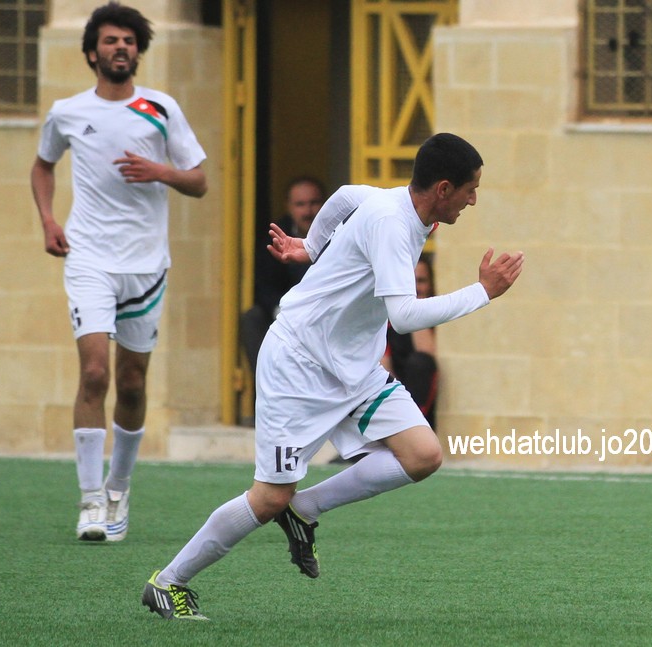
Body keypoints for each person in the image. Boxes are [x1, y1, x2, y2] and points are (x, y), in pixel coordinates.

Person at [142, 133, 523, 620]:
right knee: (268, 498)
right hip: (298, 365)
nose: (473, 200)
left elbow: (343, 194)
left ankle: (306, 509)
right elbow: (404, 316)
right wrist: (482, 292)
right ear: (444, 188)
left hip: (354, 368)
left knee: (423, 455)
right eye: (471, 190)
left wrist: (311, 247)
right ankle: (168, 582)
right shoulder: (392, 223)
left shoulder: (397, 204)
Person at [29, 2, 207, 543]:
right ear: (92, 53)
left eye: (129, 40)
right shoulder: (67, 112)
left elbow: (199, 181)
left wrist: (160, 171)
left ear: (138, 50)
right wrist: (48, 221)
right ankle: (89, 500)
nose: (120, 47)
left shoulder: (161, 108)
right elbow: (43, 165)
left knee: (131, 381)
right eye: (110, 40)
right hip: (89, 259)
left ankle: (118, 489)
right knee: (94, 374)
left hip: (146, 265)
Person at [239, 176, 326, 374]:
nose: (308, 211)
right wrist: (284, 312)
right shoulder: (275, 236)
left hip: (326, 314)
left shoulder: (337, 234)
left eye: (314, 203)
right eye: (300, 204)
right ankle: (266, 380)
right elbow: (264, 285)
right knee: (252, 318)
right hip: (285, 314)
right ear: (289, 206)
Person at [383, 253, 439, 429]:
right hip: (397, 397)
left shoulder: (439, 314)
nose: (415, 287)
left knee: (419, 362)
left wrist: (414, 309)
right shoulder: (387, 321)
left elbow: (428, 354)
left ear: (431, 285)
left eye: (420, 281)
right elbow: (384, 368)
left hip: (427, 404)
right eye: (409, 281)